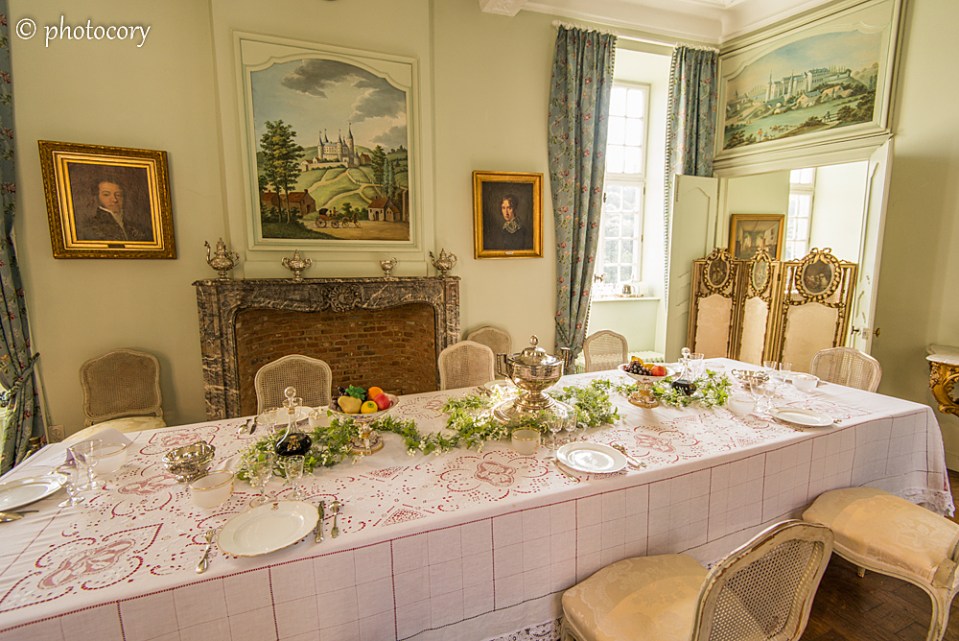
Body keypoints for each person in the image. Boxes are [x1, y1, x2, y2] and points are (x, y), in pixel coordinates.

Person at [75, 178, 154, 242]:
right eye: (106, 194)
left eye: (118, 195)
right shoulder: (89, 227)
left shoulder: (137, 228)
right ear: (96, 197)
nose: (114, 200)